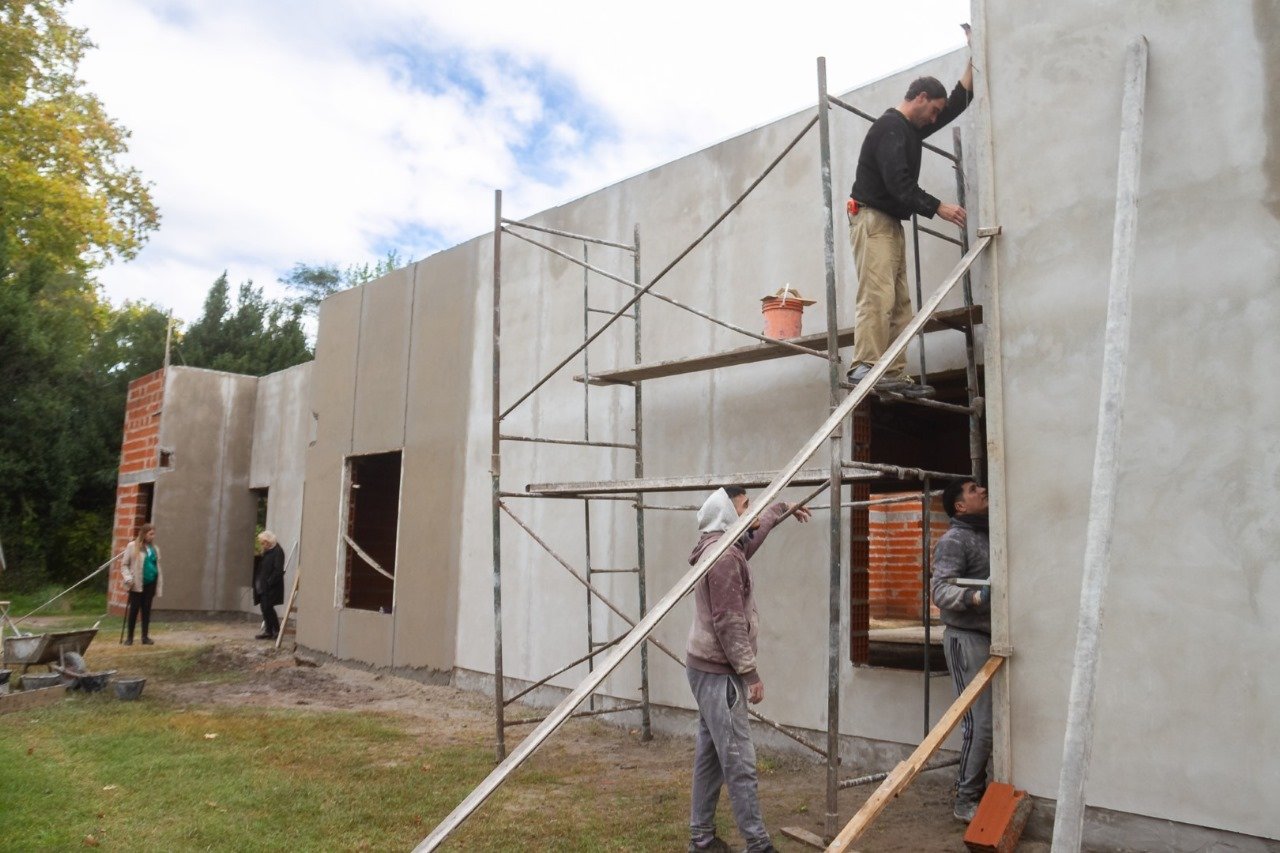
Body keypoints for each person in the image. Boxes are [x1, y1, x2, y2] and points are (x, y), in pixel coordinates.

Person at [685, 486, 811, 853]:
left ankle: (702, 839)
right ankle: (758, 844)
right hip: (719, 671)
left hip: (706, 667)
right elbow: (728, 623)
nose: (752, 510)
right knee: (739, 760)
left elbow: (757, 531)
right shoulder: (724, 559)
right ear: (728, 513)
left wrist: (782, 507)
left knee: (711, 757)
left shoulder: (725, 546)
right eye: (745, 506)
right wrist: (750, 674)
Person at [846, 36, 974, 398]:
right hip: (873, 220)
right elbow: (899, 184)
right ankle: (864, 366)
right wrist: (939, 207)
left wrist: (974, 54)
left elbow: (956, 104)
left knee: (900, 304)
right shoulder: (890, 128)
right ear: (919, 98)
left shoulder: (910, 129)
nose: (935, 119)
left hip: (889, 224)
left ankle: (892, 372)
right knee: (877, 295)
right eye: (932, 111)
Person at [930, 477, 991, 823]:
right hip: (966, 639)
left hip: (988, 637)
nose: (982, 490)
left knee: (989, 724)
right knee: (978, 724)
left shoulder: (987, 534)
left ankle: (978, 791)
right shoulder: (954, 540)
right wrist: (975, 597)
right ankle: (965, 799)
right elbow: (940, 591)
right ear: (960, 506)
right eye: (972, 490)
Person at [119, 522, 162, 646]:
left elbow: (156, 564)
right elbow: (124, 565)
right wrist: (128, 578)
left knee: (146, 610)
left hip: (150, 583)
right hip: (136, 584)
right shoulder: (132, 546)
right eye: (150, 534)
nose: (152, 536)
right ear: (144, 534)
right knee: (134, 610)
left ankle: (145, 637)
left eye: (153, 534)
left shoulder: (154, 549)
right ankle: (130, 638)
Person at [254, 531, 286, 640]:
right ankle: (269, 630)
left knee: (268, 607)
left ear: (269, 541)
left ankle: (276, 630)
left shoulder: (278, 551)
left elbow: (278, 570)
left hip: (271, 585)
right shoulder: (267, 551)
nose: (263, 545)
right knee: (264, 607)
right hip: (263, 585)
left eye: (264, 543)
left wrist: (269, 582)